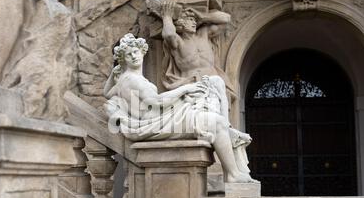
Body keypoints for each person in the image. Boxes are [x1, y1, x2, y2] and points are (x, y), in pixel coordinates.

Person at [104, 33, 257, 184]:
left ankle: (227, 130)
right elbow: (155, 101)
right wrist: (186, 89)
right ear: (124, 59)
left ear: (142, 51)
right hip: (157, 121)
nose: (133, 56)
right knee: (216, 120)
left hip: (162, 117)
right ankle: (232, 173)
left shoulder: (124, 79)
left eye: (135, 52)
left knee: (215, 82)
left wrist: (114, 72)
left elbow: (106, 92)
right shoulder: (133, 79)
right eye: (128, 55)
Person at [160, 1, 233, 94]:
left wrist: (203, 16)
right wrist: (167, 17)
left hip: (212, 83)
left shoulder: (204, 34)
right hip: (190, 85)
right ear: (181, 23)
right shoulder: (179, 42)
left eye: (194, 20)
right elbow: (169, 35)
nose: (194, 22)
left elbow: (226, 19)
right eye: (190, 20)